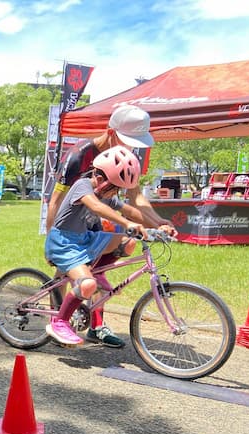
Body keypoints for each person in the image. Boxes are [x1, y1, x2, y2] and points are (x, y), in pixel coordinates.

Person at [45, 104, 174, 348]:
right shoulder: (79, 156)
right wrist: (50, 242)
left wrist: (158, 222)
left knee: (124, 245)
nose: (131, 147)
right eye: (127, 140)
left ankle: (96, 325)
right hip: (70, 226)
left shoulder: (127, 159)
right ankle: (60, 321)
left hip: (95, 224)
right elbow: (56, 200)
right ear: (112, 133)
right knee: (68, 274)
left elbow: (134, 199)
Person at [44, 146, 151, 346]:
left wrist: (160, 223)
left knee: (128, 243)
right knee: (87, 284)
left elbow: (130, 210)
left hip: (85, 239)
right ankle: (59, 322)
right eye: (113, 188)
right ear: (98, 177)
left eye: (118, 189)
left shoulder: (106, 194)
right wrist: (127, 223)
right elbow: (96, 207)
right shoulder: (83, 186)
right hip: (64, 243)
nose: (115, 193)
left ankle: (97, 273)